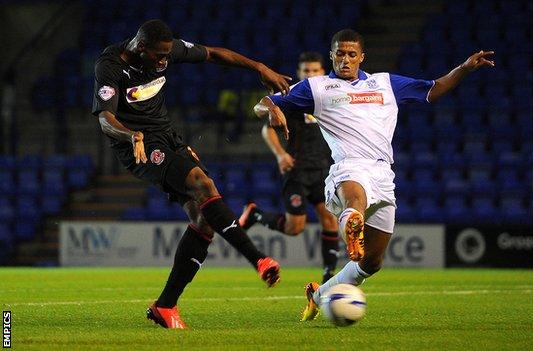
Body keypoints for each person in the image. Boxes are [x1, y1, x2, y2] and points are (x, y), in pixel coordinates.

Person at [253, 29, 494, 321]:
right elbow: (262, 103)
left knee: (372, 263)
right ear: (331, 55)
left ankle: (318, 294)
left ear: (361, 57)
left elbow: (433, 89)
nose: (345, 59)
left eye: (351, 54)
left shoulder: (385, 83)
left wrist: (464, 68)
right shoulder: (317, 87)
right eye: (339, 53)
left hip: (383, 174)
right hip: (349, 166)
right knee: (355, 199)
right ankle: (352, 222)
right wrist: (271, 108)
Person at [92, 19, 292, 329]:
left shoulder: (166, 51)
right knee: (203, 183)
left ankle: (165, 306)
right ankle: (258, 259)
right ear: (141, 48)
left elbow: (213, 54)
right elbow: (105, 119)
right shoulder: (109, 67)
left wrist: (259, 67)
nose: (164, 62)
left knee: (203, 220)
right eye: (159, 57)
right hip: (136, 146)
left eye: (167, 56)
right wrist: (131, 135)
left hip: (168, 138)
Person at [239, 52, 340, 284]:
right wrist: (281, 154)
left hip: (323, 169)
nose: (311, 74)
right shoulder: (293, 96)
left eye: (315, 70)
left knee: (329, 219)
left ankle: (328, 275)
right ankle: (256, 213)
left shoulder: (329, 96)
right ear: (299, 73)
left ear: (322, 72)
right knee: (296, 228)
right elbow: (263, 118)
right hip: (296, 169)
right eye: (306, 71)